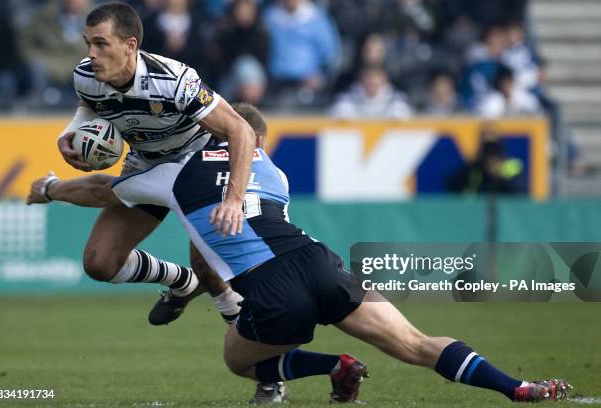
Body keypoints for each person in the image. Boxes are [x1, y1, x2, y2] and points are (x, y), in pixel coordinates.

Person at [28, 129, 571, 404]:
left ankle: (334, 365)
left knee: (240, 361)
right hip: (319, 262)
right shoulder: (270, 167)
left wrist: (50, 188)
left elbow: (102, 189)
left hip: (271, 286)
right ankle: (518, 389)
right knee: (418, 344)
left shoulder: (173, 172)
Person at [53, 2, 254, 332]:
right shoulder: (85, 76)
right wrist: (71, 131)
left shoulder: (174, 81)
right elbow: (88, 105)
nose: (91, 53)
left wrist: (233, 200)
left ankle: (254, 348)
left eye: (101, 43)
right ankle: (183, 282)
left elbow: (239, 129)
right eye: (88, 42)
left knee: (208, 265)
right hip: (146, 163)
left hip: (196, 162)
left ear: (130, 45)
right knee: (99, 263)